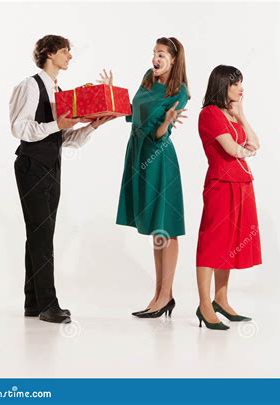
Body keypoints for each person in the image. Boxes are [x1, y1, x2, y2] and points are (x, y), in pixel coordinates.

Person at [10, 35, 113, 324]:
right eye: (66, 51)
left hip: (51, 165)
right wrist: (59, 123)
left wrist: (91, 126)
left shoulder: (59, 89)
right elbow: (19, 128)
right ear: (51, 53)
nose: (70, 56)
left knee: (39, 235)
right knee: (42, 235)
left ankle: (33, 302)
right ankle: (48, 304)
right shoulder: (31, 85)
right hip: (32, 165)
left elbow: (64, 138)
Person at [99, 37, 189, 319]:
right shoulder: (148, 78)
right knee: (154, 227)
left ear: (173, 59)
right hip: (137, 153)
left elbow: (160, 133)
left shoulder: (180, 91)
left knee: (166, 226)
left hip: (159, 156)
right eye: (154, 53)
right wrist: (112, 94)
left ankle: (166, 295)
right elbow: (132, 111)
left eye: (161, 54)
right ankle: (159, 294)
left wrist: (165, 122)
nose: (156, 58)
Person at [195, 65, 262, 330]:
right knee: (212, 242)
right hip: (221, 183)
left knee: (229, 243)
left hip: (242, 182)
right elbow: (233, 148)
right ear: (223, 85)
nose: (240, 88)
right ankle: (204, 305)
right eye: (235, 83)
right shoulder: (209, 114)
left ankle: (221, 300)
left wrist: (242, 115)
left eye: (241, 83)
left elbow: (254, 142)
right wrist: (245, 150)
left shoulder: (232, 114)